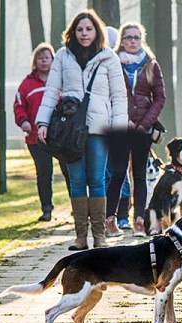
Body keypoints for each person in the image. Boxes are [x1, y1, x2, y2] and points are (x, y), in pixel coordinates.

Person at [36, 10, 128, 250]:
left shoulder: (109, 58)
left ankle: (99, 236)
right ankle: (80, 237)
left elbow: (119, 96)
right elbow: (51, 91)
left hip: (100, 128)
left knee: (97, 179)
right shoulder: (63, 57)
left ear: (96, 31)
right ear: (72, 32)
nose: (84, 34)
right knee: (77, 180)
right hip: (70, 129)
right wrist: (42, 122)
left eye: (89, 29)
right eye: (80, 29)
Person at [105, 21, 165, 238]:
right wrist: (124, 119)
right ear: (122, 39)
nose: (132, 41)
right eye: (128, 37)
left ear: (142, 39)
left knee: (139, 175)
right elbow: (107, 94)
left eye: (136, 37)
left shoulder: (151, 64)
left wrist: (144, 125)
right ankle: (109, 221)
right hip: (120, 127)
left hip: (143, 129)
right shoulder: (111, 61)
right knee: (118, 174)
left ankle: (139, 221)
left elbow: (159, 98)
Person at [14, 42, 70, 222]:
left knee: (69, 171)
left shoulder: (62, 81)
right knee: (44, 172)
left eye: (47, 57)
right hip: (36, 137)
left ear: (53, 60)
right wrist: (23, 122)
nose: (44, 61)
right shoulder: (27, 84)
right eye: (40, 58)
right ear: (35, 61)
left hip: (61, 136)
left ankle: (77, 207)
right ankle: (47, 208)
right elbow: (19, 106)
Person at [104, 26, 133, 236]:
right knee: (102, 177)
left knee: (119, 175)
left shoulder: (119, 67)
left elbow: (125, 97)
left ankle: (118, 216)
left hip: (119, 128)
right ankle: (103, 220)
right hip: (98, 127)